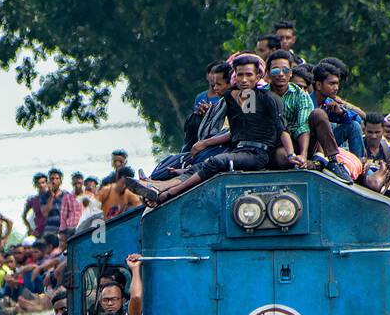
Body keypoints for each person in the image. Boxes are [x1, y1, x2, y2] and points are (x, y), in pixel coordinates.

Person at [127, 55, 301, 205]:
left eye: (249, 75)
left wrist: (292, 155)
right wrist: (204, 143)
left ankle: (166, 194)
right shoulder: (236, 97)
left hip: (257, 154)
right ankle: (157, 185)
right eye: (240, 75)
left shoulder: (269, 98)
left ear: (258, 76)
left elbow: (282, 129)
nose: (244, 79)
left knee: (216, 162)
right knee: (203, 163)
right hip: (239, 150)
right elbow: (239, 131)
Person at [265, 49, 313, 168]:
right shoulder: (260, 95)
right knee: (283, 157)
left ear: (291, 73)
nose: (281, 74)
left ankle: (318, 160)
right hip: (272, 143)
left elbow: (303, 126)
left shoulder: (301, 94)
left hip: (297, 141)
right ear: (268, 73)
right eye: (276, 70)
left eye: (285, 70)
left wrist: (303, 155)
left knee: (318, 115)